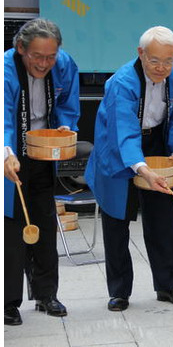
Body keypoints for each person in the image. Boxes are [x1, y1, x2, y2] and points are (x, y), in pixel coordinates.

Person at [84, 26, 173, 311]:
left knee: (163, 218)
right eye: (155, 60)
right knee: (116, 221)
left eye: (169, 60)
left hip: (158, 141)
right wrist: (141, 168)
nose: (162, 67)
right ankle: (119, 291)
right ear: (140, 53)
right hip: (117, 149)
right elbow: (123, 132)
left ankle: (168, 285)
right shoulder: (121, 83)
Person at [4, 18, 80, 325]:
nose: (45, 63)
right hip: (10, 155)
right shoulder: (5, 71)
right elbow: (3, 119)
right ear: (20, 48)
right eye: (37, 56)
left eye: (51, 56)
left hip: (43, 152)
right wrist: (7, 155)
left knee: (45, 225)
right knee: (12, 230)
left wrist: (65, 125)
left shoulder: (63, 64)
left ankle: (46, 293)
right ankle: (8, 301)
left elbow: (67, 103)